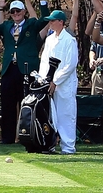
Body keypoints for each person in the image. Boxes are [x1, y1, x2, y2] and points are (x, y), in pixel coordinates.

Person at [0, 0, 49, 144]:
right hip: (10, 69)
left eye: (18, 11)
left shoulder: (31, 24)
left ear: (24, 11)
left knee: (28, 103)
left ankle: (29, 135)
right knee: (7, 105)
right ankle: (7, 138)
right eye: (13, 12)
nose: (16, 14)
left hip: (27, 69)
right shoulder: (7, 26)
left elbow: (45, 18)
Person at [38, 10, 79, 154]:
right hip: (49, 84)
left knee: (66, 114)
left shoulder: (69, 40)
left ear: (60, 22)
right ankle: (50, 144)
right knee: (51, 115)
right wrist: (44, 79)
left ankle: (68, 147)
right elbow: (44, 61)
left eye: (52, 21)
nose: (50, 23)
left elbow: (70, 64)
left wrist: (55, 80)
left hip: (65, 84)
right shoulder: (49, 40)